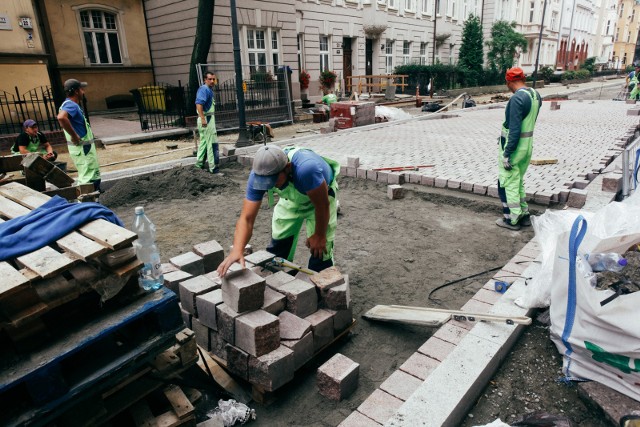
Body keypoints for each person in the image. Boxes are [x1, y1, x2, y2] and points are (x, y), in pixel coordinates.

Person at [217, 144, 340, 276]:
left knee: (320, 251)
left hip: (320, 198)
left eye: (272, 181)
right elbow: (247, 218)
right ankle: (283, 281)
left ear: (287, 168)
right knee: (279, 245)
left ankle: (321, 286)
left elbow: (322, 205)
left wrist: (319, 235)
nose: (268, 185)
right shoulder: (259, 174)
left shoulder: (307, 171)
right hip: (291, 200)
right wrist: (237, 249)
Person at [496, 67, 542, 231]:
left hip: (514, 149)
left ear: (509, 82)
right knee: (518, 181)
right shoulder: (535, 95)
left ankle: (512, 220)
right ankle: (524, 215)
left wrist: (507, 154)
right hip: (527, 147)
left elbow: (514, 129)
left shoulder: (517, 99)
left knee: (507, 183)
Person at [56, 79, 102, 192]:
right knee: (90, 179)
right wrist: (74, 136)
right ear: (76, 91)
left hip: (81, 149)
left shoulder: (66, 104)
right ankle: (87, 204)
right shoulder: (71, 105)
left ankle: (90, 204)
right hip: (84, 149)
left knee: (89, 177)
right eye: (82, 89)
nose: (83, 92)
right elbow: (61, 117)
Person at [195, 71, 221, 174]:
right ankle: (213, 168)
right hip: (207, 119)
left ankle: (199, 165)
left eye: (213, 79)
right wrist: (202, 118)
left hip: (206, 119)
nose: (212, 81)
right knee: (212, 143)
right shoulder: (204, 89)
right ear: (205, 80)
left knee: (204, 143)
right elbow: (199, 104)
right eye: (209, 79)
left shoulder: (207, 90)